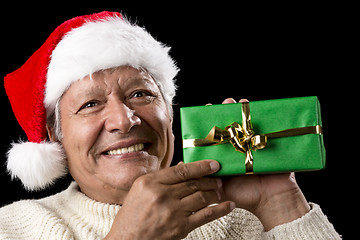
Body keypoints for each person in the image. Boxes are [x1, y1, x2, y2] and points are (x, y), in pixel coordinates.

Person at [0, 11, 341, 239]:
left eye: (140, 94)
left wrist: (278, 203)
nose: (124, 120)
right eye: (91, 104)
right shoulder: (14, 228)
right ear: (55, 136)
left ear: (170, 113)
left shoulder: (248, 220)